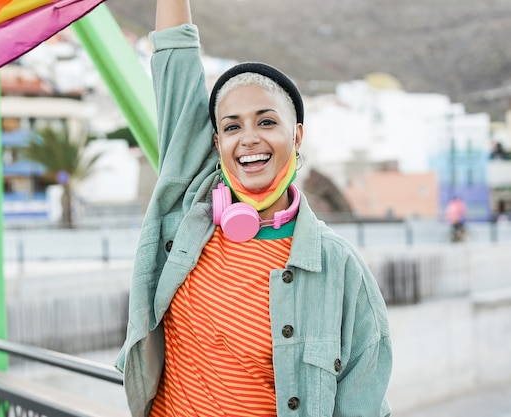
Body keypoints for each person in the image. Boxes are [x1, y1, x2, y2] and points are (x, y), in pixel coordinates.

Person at [114, 1, 392, 415]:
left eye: (266, 122)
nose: (247, 138)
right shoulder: (190, 207)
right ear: (216, 144)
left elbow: (363, 405)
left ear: (295, 135)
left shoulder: (341, 270)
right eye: (231, 127)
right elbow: (175, 58)